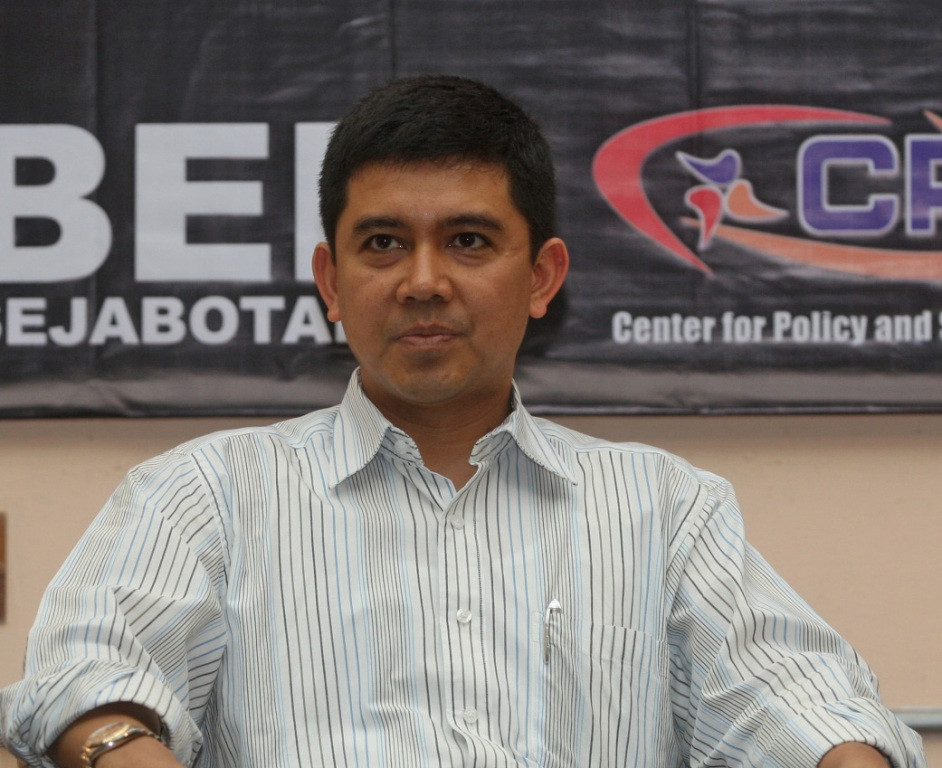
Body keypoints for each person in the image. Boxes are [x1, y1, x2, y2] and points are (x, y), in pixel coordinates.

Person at [0, 75, 926, 768]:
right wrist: (119, 745)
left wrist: (844, 754)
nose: (424, 281)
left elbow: (792, 697)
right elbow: (88, 671)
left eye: (468, 241)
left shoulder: (665, 507)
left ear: (542, 277)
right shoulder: (202, 494)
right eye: (383, 243)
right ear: (331, 280)